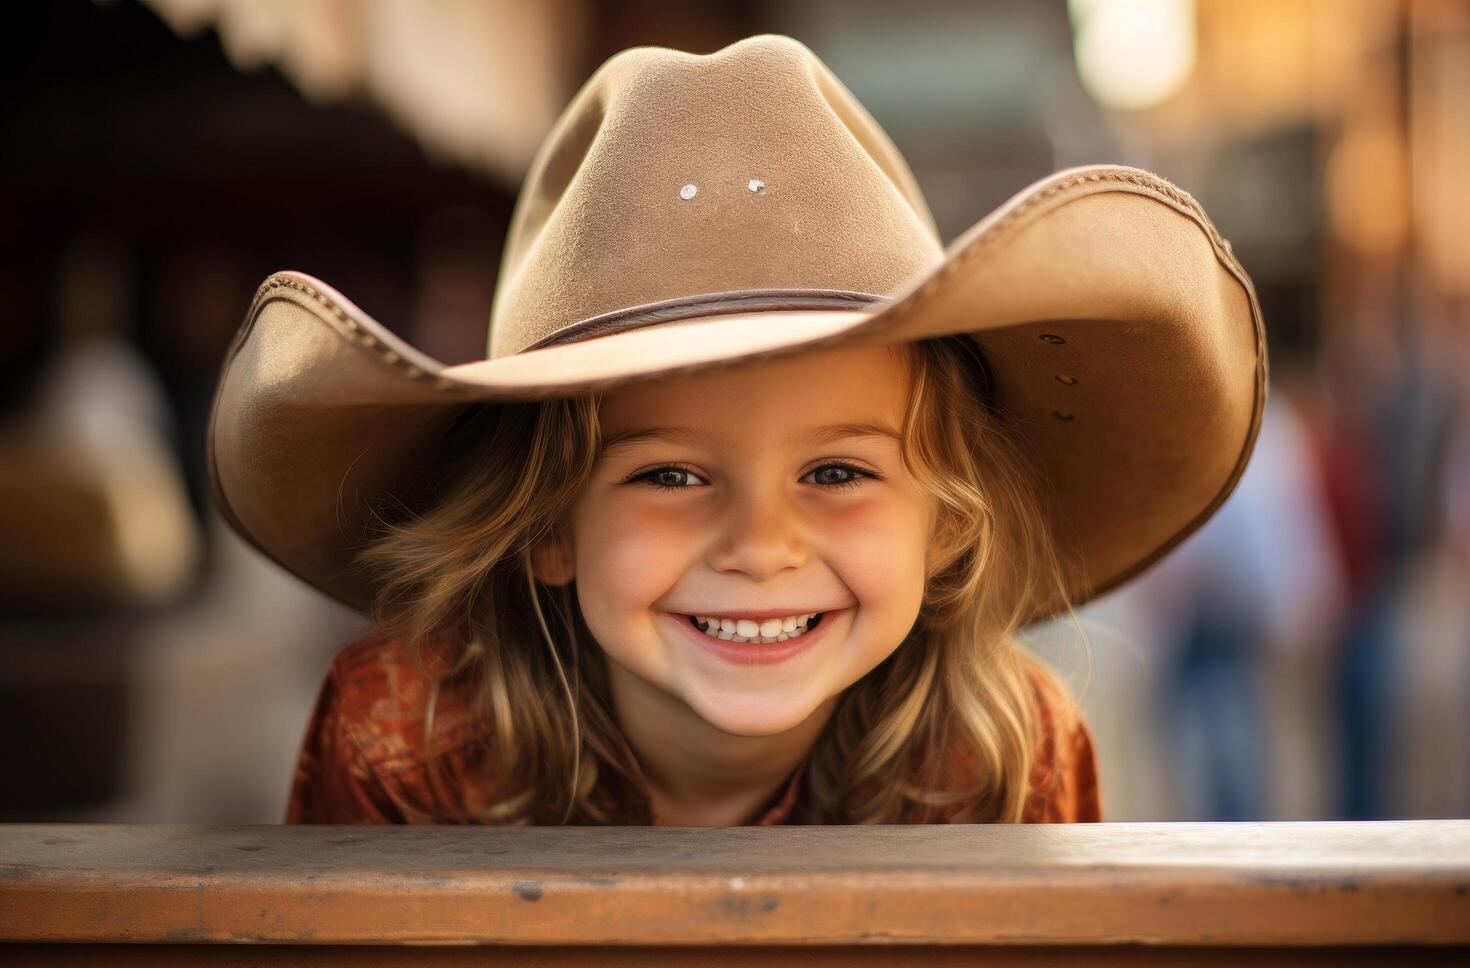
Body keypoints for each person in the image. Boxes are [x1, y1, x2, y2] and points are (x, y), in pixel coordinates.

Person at [206, 35, 1265, 826]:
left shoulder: (1003, 758)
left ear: (945, 522)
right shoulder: (404, 745)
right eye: (668, 474)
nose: (761, 545)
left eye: (838, 469)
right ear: (546, 527)